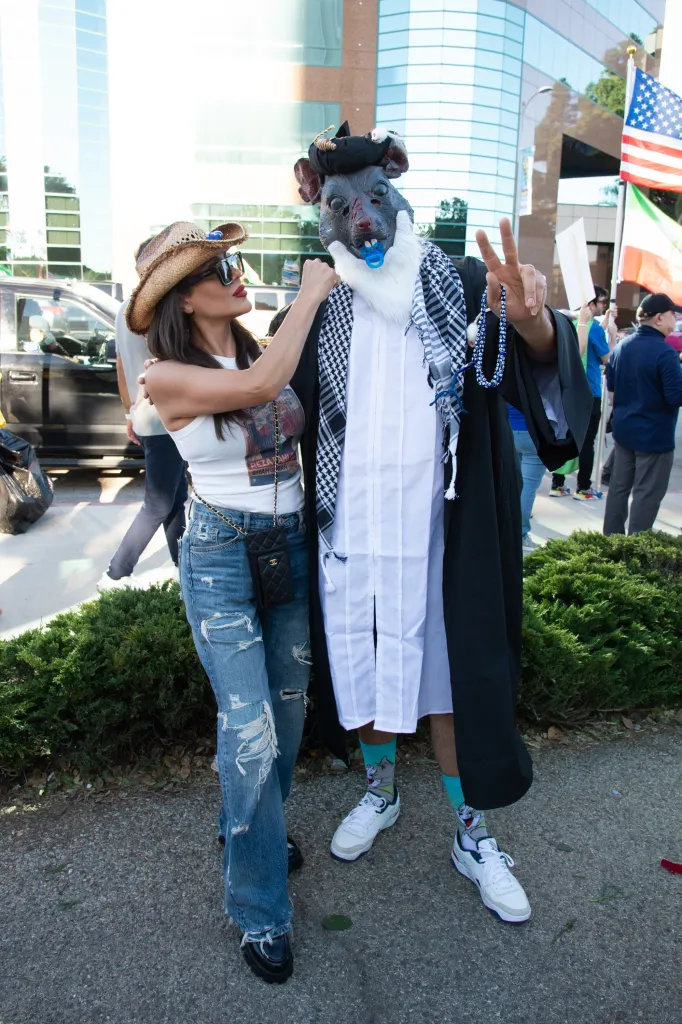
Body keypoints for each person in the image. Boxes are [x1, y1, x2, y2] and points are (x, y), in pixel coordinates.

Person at [278, 125, 592, 924]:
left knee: (451, 684)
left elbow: (538, 392)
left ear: (398, 192)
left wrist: (532, 325)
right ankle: (381, 793)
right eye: (344, 207)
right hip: (350, 533)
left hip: (440, 537)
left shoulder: (457, 282)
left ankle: (470, 831)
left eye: (375, 202)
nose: (364, 222)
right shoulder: (320, 300)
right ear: (323, 211)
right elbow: (276, 405)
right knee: (364, 669)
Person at [129, 221, 338, 984]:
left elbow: (273, 382)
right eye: (221, 268)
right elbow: (256, 393)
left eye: (235, 263)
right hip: (220, 556)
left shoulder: (255, 348)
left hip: (287, 546)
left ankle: (250, 825)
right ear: (186, 296)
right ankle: (260, 909)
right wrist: (311, 293)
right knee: (248, 733)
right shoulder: (165, 376)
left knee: (286, 712)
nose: (238, 274)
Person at [97, 236, 189, 591]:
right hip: (166, 419)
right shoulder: (162, 309)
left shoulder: (125, 309)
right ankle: (117, 571)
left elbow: (122, 365)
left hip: (148, 415)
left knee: (174, 499)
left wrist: (130, 413)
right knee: (158, 502)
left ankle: (184, 566)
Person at [603, 292, 682, 535]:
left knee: (618, 490)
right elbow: (675, 397)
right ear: (659, 318)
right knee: (646, 496)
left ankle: (610, 546)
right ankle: (634, 553)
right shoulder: (665, 353)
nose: (675, 319)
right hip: (654, 438)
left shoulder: (622, 347)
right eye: (672, 314)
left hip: (624, 433)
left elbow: (613, 389)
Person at [549, 288, 611, 499]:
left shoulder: (568, 324)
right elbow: (606, 358)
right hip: (590, 391)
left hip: (566, 391)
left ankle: (557, 484)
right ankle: (583, 487)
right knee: (586, 442)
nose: (604, 306)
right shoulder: (593, 329)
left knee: (565, 435)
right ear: (591, 304)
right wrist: (610, 333)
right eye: (602, 302)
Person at [508, 402, 546, 552]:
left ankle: (508, 529)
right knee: (527, 486)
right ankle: (520, 533)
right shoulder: (541, 376)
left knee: (512, 482)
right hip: (533, 429)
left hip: (509, 426)